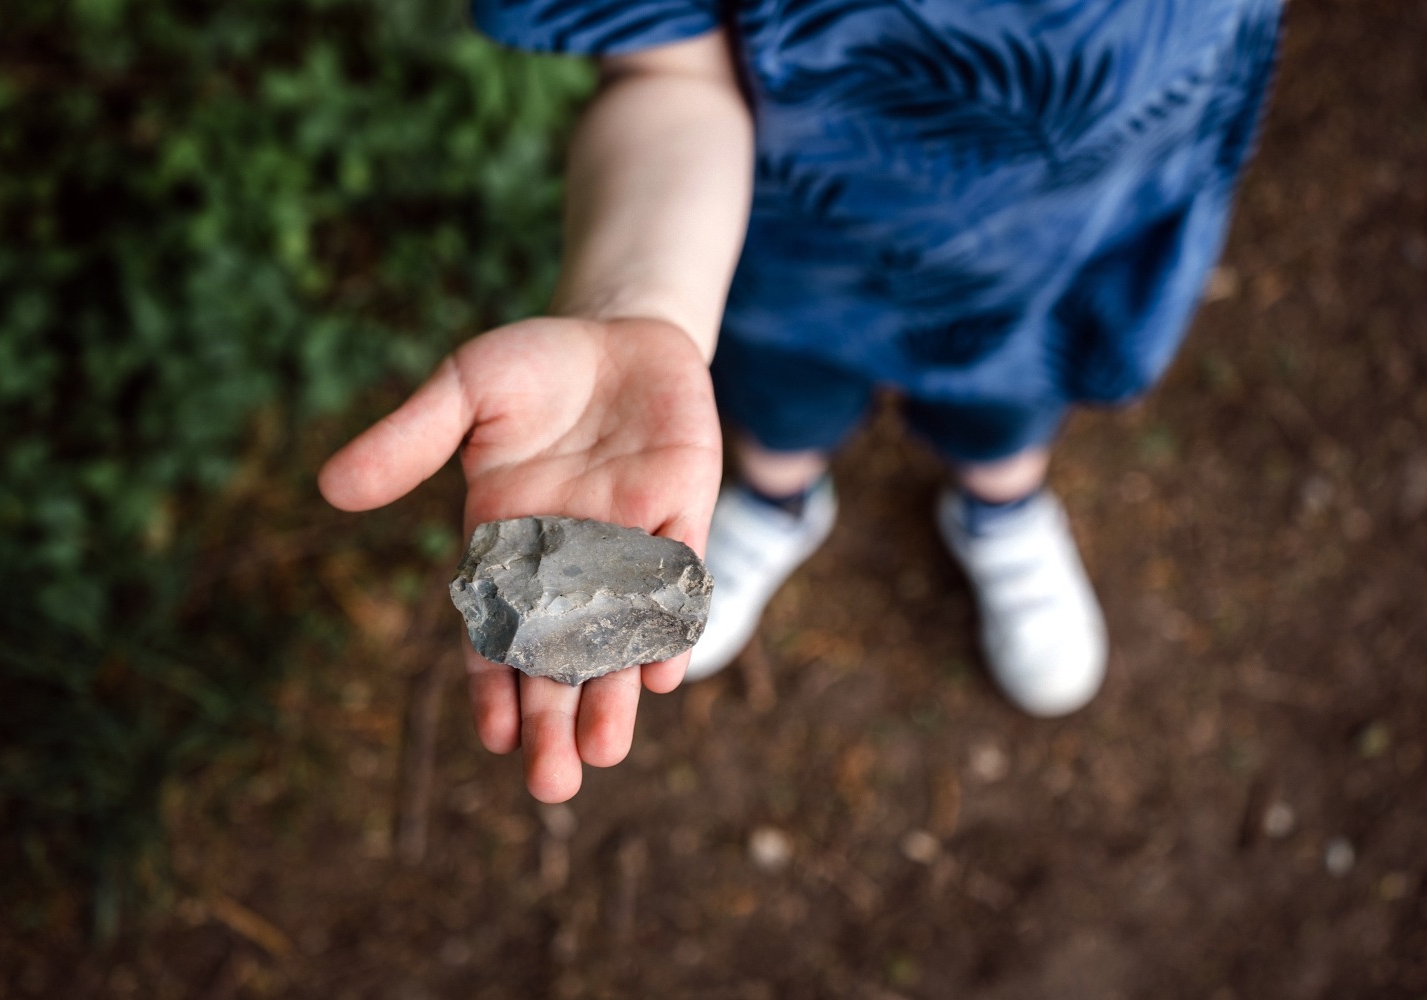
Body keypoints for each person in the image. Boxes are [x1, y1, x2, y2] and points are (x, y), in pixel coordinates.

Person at [319, 0, 1281, 803]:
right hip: (785, 254)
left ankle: (1001, 503)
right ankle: (781, 494)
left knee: (1010, 408)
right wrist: (638, 307)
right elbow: (668, 75)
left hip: (1080, 234)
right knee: (780, 406)